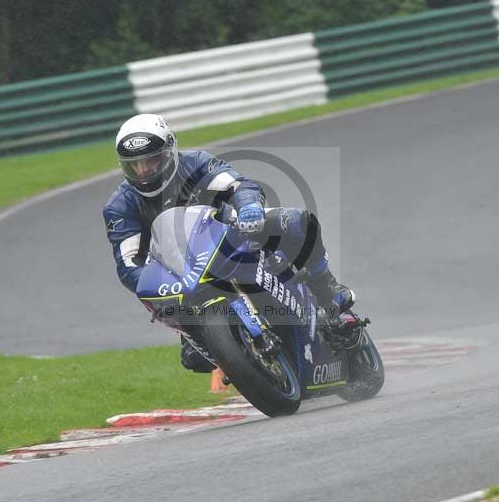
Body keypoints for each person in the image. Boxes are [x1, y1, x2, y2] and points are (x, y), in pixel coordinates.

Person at [102, 113, 354, 372]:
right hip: (181, 278)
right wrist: (159, 288)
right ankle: (230, 354)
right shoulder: (120, 205)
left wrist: (248, 208)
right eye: (135, 165)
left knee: (297, 222)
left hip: (231, 239)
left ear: (169, 151)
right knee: (195, 359)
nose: (144, 172)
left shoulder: (196, 163)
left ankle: (328, 293)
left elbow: (238, 185)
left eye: (151, 161)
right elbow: (128, 262)